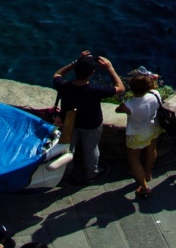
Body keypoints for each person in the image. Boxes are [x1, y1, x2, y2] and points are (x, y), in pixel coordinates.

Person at [53, 49, 120, 180]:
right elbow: (120, 88)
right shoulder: (96, 90)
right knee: (91, 150)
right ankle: (92, 173)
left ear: (76, 70)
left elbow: (57, 74)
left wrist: (75, 63)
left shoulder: (64, 85)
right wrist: (110, 68)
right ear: (92, 73)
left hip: (69, 123)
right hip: (91, 124)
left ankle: (66, 170)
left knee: (67, 147)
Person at [115, 67, 164, 197]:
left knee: (133, 158)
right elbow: (153, 88)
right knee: (151, 149)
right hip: (154, 128)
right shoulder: (155, 95)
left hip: (137, 133)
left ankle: (144, 187)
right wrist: (152, 80)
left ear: (131, 88)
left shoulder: (130, 105)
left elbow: (117, 110)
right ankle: (147, 173)